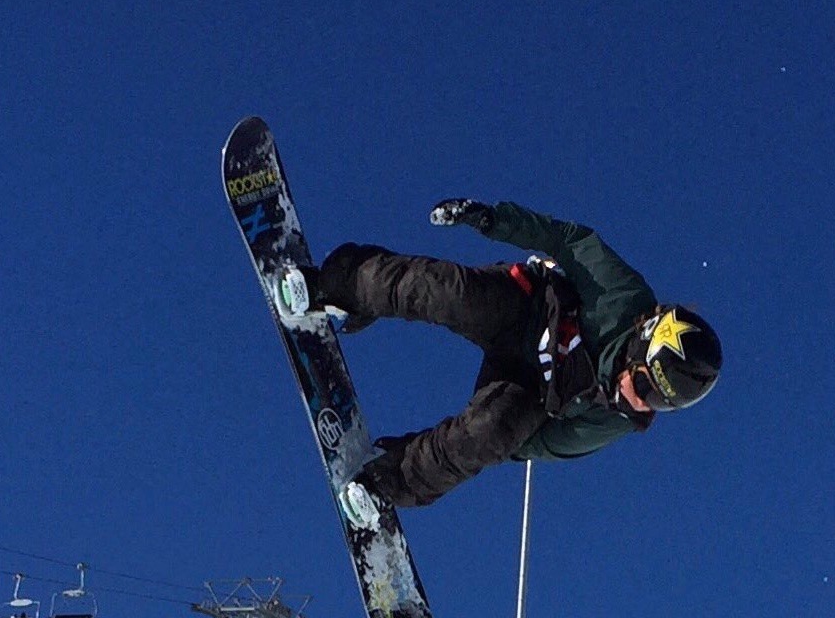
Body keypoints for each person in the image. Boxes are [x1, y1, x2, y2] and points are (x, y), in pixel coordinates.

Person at [294, 199, 722, 507]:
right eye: (645, 385)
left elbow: (545, 443)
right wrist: (493, 220)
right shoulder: (623, 296)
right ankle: (335, 288)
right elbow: (566, 240)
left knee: (488, 433)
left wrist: (499, 436)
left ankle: (386, 479)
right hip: (526, 310)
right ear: (642, 340)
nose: (640, 401)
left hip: (529, 387)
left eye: (656, 403)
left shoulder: (615, 419)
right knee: (445, 293)